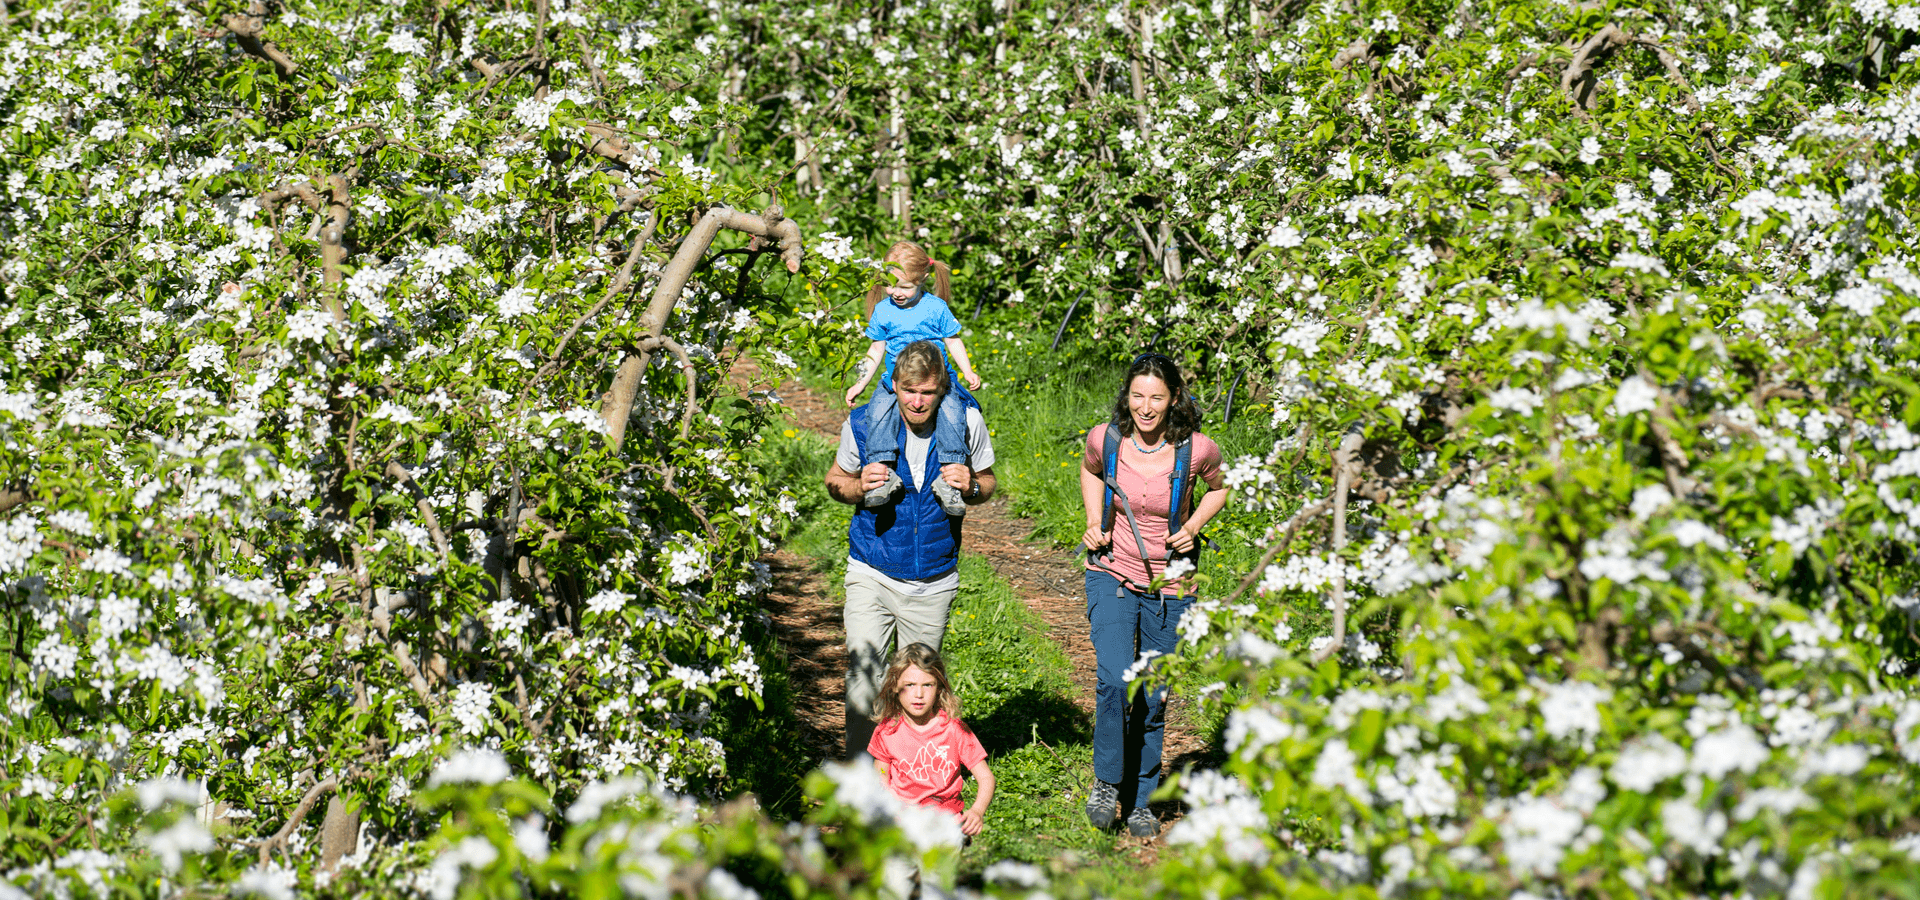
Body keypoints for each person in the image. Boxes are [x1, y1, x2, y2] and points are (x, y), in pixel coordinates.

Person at [1078, 352, 1230, 838]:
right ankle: (1107, 783)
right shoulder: (1106, 438)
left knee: (1154, 693)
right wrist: (1091, 522)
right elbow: (1090, 470)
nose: (1145, 407)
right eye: (1137, 396)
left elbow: (1219, 489)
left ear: (1174, 400)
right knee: (1114, 679)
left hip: (1171, 585)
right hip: (1112, 571)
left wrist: (1193, 526)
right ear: (1127, 395)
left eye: (1156, 398)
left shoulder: (1196, 449)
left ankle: (1141, 798)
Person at [825, 340, 997, 758]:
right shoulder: (865, 424)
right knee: (865, 679)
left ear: (941, 390)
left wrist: (971, 486)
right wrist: (858, 487)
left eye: (927, 392)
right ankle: (860, 780)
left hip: (933, 580)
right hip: (872, 569)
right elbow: (835, 481)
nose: (917, 402)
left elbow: (989, 482)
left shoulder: (965, 423)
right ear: (895, 386)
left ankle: (909, 780)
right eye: (908, 390)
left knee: (918, 688)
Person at [842, 241, 984, 516]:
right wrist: (860, 382)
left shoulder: (935, 308)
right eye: (890, 285)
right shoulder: (884, 310)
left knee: (953, 413)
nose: (896, 293)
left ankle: (949, 481)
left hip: (935, 380)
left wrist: (967, 371)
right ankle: (883, 477)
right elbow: (875, 349)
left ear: (923, 280)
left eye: (905, 287)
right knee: (878, 412)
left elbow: (952, 340)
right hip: (897, 381)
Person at [869, 643, 995, 836]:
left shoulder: (954, 730)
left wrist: (977, 811)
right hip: (901, 823)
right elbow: (882, 774)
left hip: (945, 824)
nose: (918, 694)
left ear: (939, 687)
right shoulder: (887, 731)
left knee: (939, 867)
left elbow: (986, 777)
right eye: (910, 685)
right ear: (894, 685)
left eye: (927, 685)